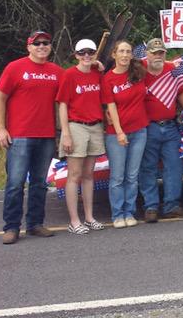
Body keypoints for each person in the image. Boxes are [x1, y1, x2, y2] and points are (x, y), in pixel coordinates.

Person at [0, 31, 62, 244]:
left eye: (46, 43)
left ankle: (35, 224)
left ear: (50, 46)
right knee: (15, 183)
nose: (42, 46)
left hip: (46, 136)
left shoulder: (56, 72)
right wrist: (0, 128)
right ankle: (11, 227)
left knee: (39, 183)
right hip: (19, 136)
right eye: (37, 43)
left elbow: (78, 79)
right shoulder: (15, 68)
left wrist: (96, 65)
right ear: (29, 47)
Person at [56, 38, 106, 234]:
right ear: (76, 55)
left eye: (90, 52)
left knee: (88, 175)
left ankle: (89, 217)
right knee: (74, 175)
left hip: (95, 126)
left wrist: (99, 66)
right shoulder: (69, 75)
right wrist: (65, 133)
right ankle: (74, 220)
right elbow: (62, 104)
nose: (86, 56)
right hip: (76, 126)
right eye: (82, 53)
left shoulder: (97, 74)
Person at [140, 38, 183, 223]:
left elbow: (181, 90)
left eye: (161, 52)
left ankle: (171, 205)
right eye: (154, 52)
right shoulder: (138, 70)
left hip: (170, 126)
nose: (158, 56)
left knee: (175, 165)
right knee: (148, 168)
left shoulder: (171, 69)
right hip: (148, 127)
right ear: (147, 54)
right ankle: (151, 207)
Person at [101, 40, 150, 228]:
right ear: (114, 54)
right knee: (117, 177)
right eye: (121, 51)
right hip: (117, 134)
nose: (124, 55)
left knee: (132, 175)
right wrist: (120, 132)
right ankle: (117, 214)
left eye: (128, 51)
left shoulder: (138, 72)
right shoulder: (108, 79)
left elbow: (158, 62)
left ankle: (130, 212)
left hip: (140, 130)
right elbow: (110, 106)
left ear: (132, 55)